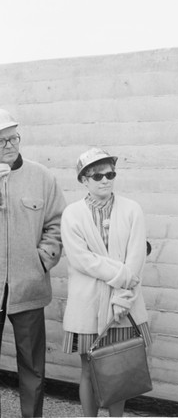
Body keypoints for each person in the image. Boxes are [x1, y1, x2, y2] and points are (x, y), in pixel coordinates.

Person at [61, 148, 152, 417]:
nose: (105, 180)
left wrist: (123, 298)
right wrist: (123, 274)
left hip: (126, 304)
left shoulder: (132, 209)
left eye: (110, 174)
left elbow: (137, 258)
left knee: (120, 368)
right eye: (97, 175)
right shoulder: (72, 214)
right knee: (88, 368)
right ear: (84, 180)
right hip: (87, 304)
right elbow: (81, 259)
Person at [0, 108, 66, 417]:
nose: (10, 145)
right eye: (1, 141)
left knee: (32, 366)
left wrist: (42, 259)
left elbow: (56, 223)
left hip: (29, 286)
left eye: (14, 138)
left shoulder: (41, 176)